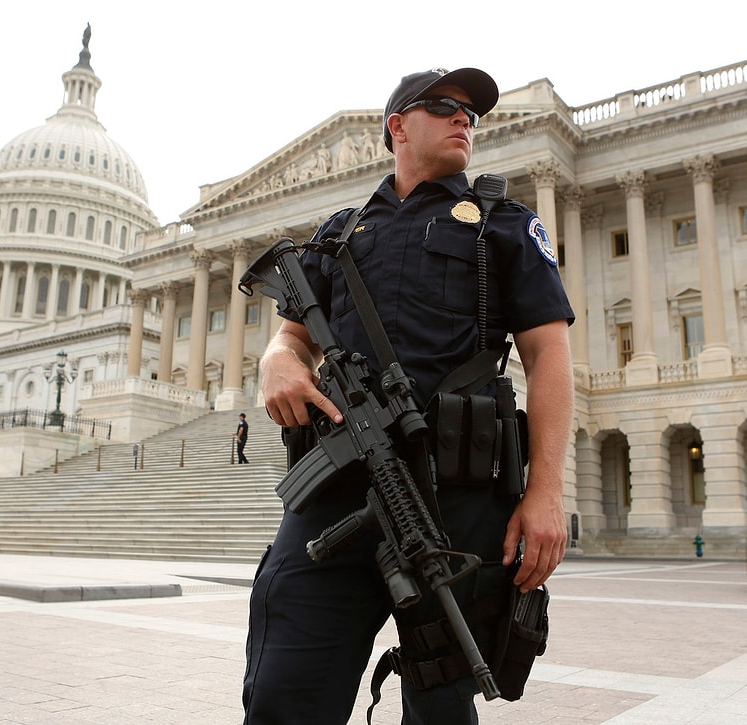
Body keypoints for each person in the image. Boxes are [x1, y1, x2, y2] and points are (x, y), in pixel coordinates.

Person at [242, 67, 575, 725]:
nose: (465, 120)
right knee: (285, 691)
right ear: (397, 125)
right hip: (335, 494)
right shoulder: (339, 233)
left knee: (442, 701)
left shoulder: (501, 224)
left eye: (473, 114)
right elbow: (289, 339)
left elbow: (548, 355)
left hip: (456, 500)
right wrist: (278, 363)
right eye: (446, 106)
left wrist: (547, 490)